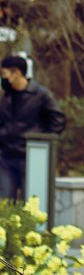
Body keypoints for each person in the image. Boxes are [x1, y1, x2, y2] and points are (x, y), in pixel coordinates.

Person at [0, 54, 67, 201]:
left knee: (31, 200)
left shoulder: (40, 95)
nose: (3, 78)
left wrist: (41, 140)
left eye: (4, 74)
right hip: (6, 157)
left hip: (30, 157)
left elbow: (58, 119)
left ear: (16, 73)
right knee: (4, 202)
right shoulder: (6, 97)